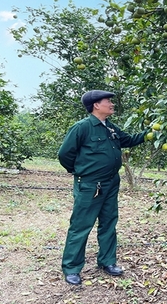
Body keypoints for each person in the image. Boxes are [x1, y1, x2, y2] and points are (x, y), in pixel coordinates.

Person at [58, 90, 149, 285]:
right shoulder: (82, 127)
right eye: (108, 101)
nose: (111, 104)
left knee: (109, 223)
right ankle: (72, 268)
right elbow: (64, 154)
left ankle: (107, 261)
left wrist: (151, 133)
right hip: (90, 184)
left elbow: (129, 140)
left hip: (111, 183)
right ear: (96, 105)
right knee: (81, 226)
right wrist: (81, 171)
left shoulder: (110, 128)